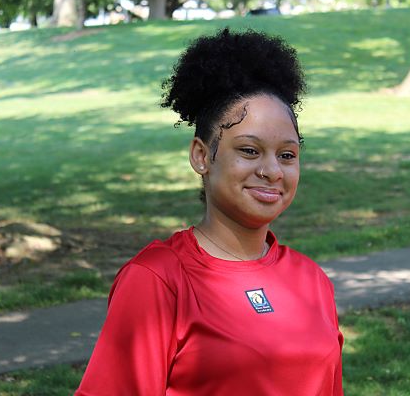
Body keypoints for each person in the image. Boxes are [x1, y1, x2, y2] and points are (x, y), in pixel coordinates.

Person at [75, 27, 343, 396]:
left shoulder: (312, 282)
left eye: (287, 155)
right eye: (249, 150)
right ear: (202, 156)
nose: (272, 171)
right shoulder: (158, 280)